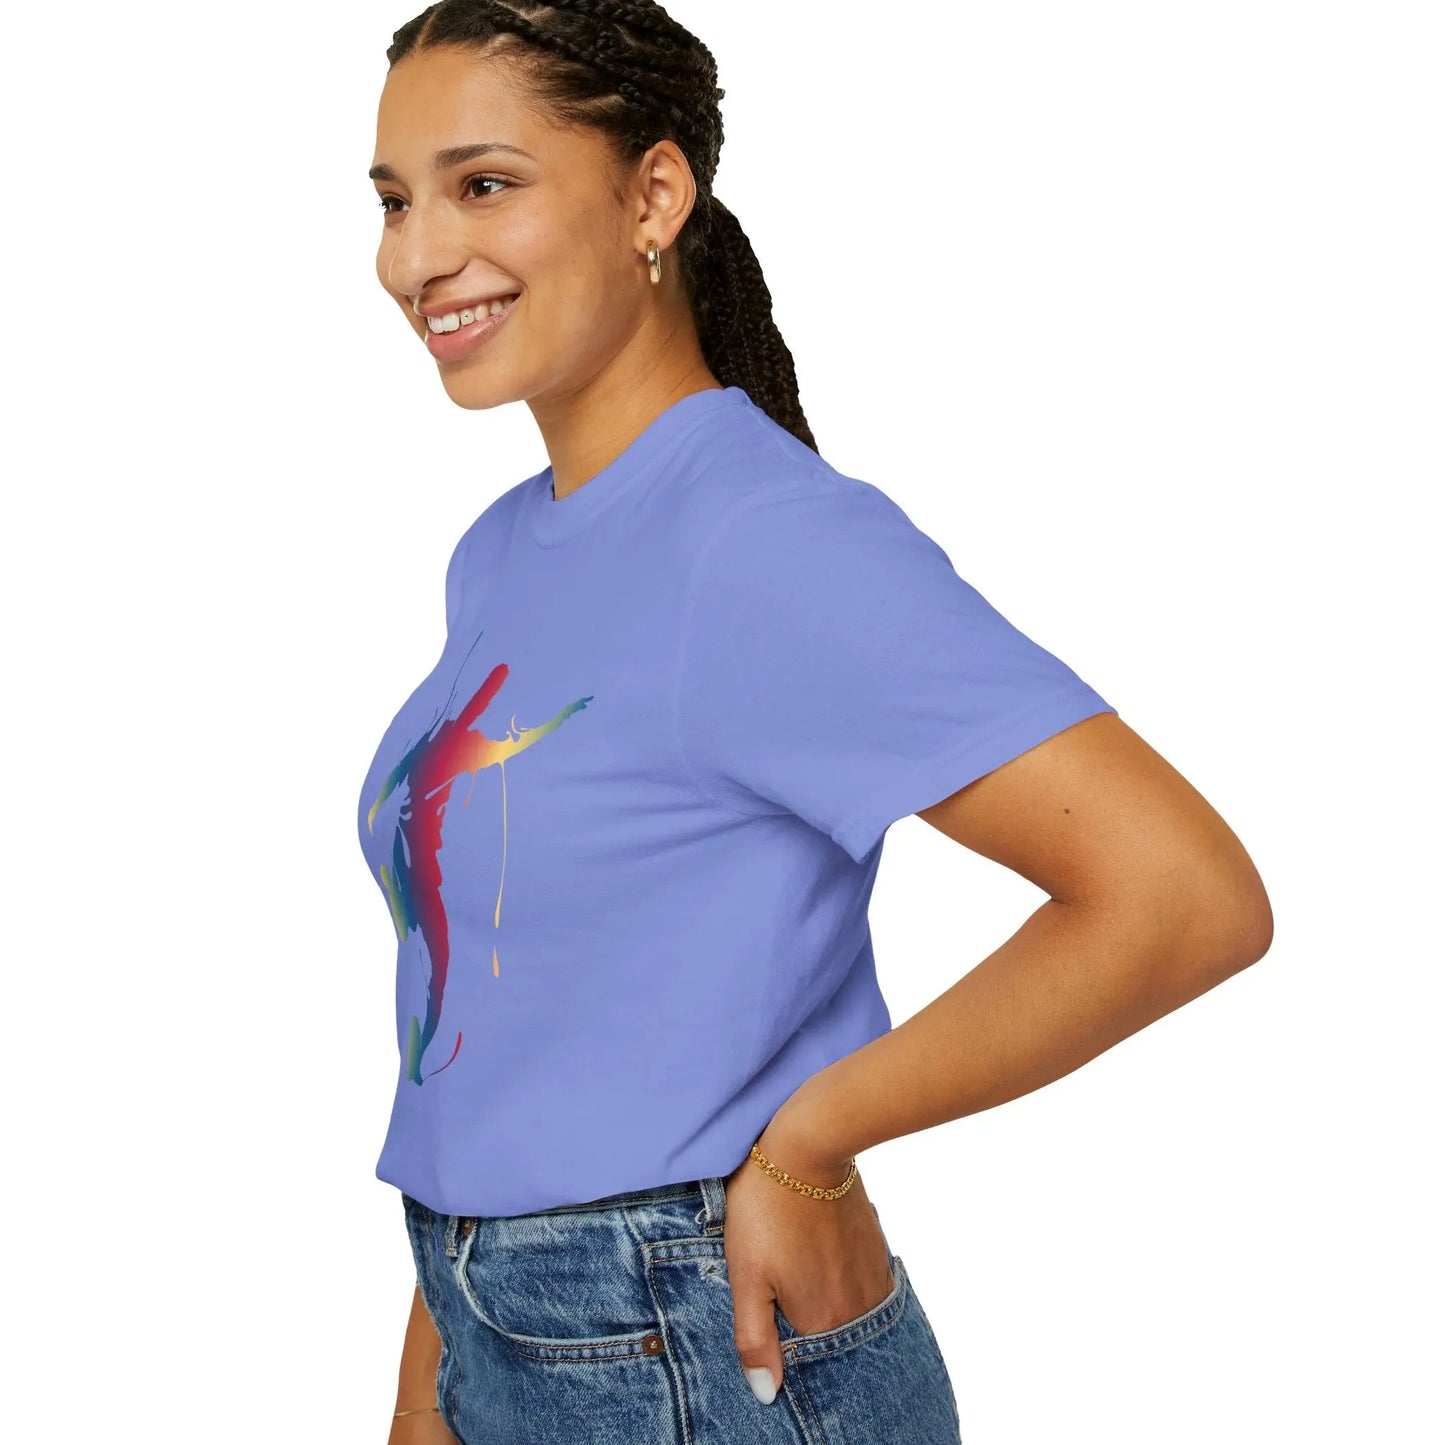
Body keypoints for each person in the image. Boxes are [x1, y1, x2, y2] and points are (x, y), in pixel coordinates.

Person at [358, 4, 1274, 1442]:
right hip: (495, 1324)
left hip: (697, 1345)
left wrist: (812, 1140)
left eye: (483, 184)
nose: (417, 257)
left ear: (654, 196)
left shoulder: (763, 539)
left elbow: (1182, 897)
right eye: (394, 201)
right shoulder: (504, 550)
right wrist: (435, 1377)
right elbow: (506, 1012)